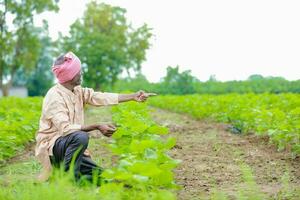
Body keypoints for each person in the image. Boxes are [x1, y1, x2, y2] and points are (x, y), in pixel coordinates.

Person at [35, 51, 156, 183]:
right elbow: (65, 129)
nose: (81, 73)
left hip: (70, 149)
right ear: (69, 75)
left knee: (101, 177)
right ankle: (67, 179)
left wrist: (133, 96)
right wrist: (97, 126)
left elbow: (100, 97)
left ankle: (64, 175)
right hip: (55, 149)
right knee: (80, 136)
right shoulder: (54, 96)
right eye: (78, 71)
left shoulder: (77, 91)